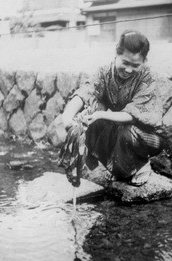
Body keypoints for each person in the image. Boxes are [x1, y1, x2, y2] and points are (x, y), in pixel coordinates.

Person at [59, 30, 165, 186]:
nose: (129, 69)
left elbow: (131, 115)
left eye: (135, 65)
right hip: (119, 129)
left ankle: (142, 165)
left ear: (144, 61)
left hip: (148, 137)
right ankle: (120, 169)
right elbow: (84, 92)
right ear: (116, 54)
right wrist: (67, 119)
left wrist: (100, 114)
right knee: (89, 126)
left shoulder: (147, 78)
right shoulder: (104, 73)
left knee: (126, 131)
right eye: (125, 62)